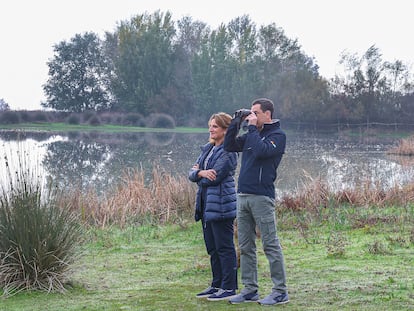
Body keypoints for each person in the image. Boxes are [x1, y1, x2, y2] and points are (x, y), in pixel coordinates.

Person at [223, 98, 289, 306]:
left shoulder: (277, 136)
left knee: (270, 244)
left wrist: (251, 129)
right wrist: (236, 122)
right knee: (245, 245)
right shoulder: (254, 133)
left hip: (262, 197)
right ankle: (250, 290)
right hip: (242, 195)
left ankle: (280, 292)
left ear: (267, 114)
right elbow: (230, 145)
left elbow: (262, 151)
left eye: (255, 112)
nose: (252, 116)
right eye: (250, 113)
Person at [188, 112, 238, 301]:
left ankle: (229, 287)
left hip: (222, 206)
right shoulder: (207, 149)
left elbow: (215, 177)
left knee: (224, 248)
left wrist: (199, 175)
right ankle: (216, 284)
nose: (211, 129)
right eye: (210, 125)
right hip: (206, 206)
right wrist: (200, 173)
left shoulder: (229, 150)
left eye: (215, 126)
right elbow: (192, 173)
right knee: (212, 248)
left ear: (226, 130)